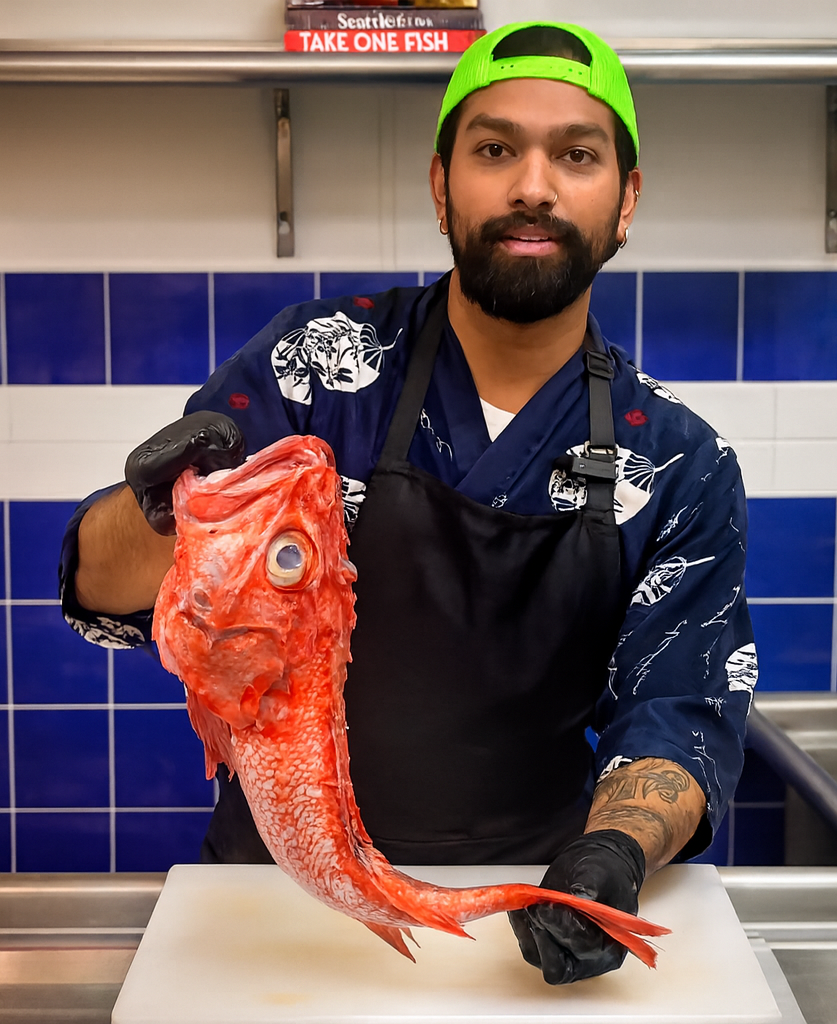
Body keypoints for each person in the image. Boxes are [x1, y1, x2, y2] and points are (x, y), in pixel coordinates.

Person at [60, 22, 756, 985]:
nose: (533, 186)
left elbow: (680, 713)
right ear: (442, 184)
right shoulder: (316, 368)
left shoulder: (676, 461)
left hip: (524, 913)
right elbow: (105, 589)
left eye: (578, 155)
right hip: (274, 908)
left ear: (625, 200)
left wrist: (617, 855)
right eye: (496, 148)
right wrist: (160, 506)